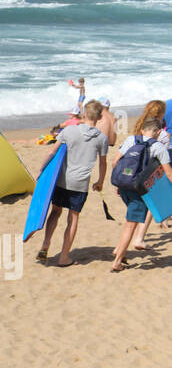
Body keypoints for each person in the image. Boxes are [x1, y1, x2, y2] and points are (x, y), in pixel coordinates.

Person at [38, 100, 108, 267]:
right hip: (80, 183)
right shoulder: (101, 138)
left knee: (55, 211)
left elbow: (51, 152)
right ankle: (64, 257)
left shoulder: (69, 130)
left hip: (62, 179)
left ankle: (45, 244)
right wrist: (100, 182)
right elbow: (102, 163)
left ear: (84, 114)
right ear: (99, 117)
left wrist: (41, 170)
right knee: (73, 218)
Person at [111, 116, 172, 272]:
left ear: (142, 130)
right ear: (158, 132)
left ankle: (119, 250)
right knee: (130, 225)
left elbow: (115, 162)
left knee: (131, 219)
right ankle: (117, 261)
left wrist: (121, 182)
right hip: (138, 190)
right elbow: (169, 174)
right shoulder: (159, 147)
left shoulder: (131, 140)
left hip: (124, 185)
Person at [127, 100, 168, 252]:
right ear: (160, 114)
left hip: (135, 169)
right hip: (151, 171)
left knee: (141, 205)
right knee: (152, 204)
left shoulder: (140, 126)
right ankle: (139, 238)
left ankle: (137, 236)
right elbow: (163, 154)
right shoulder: (160, 133)